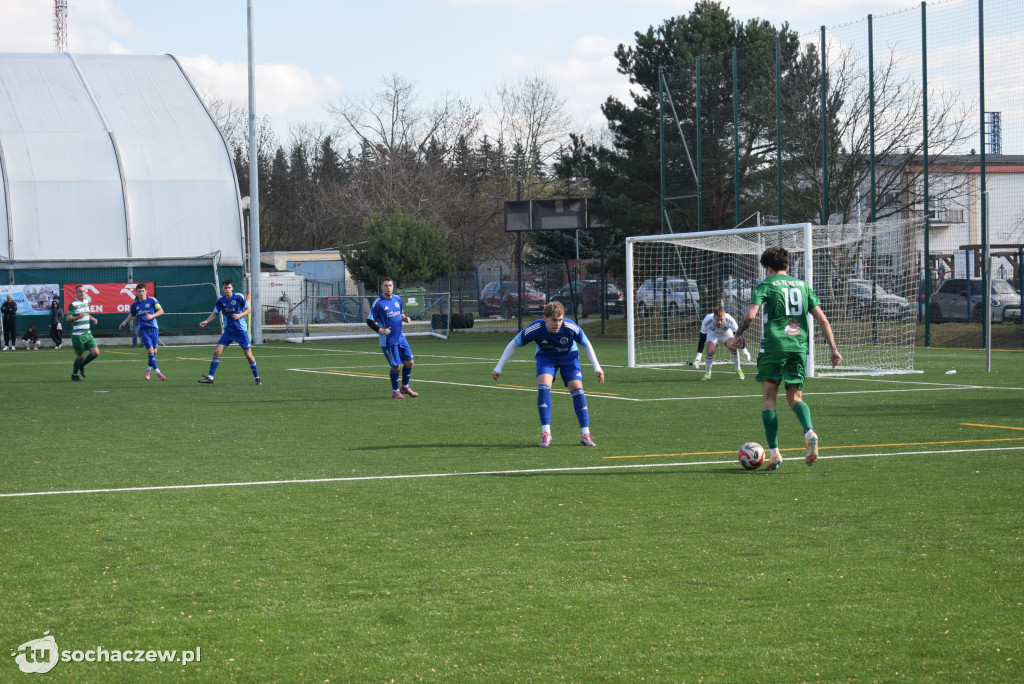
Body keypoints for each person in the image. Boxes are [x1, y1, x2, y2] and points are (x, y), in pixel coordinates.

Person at [730, 246, 842, 470]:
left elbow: (750, 315)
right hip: (798, 347)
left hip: (774, 348)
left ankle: (775, 453)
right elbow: (823, 320)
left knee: (769, 400)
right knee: (795, 399)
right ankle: (809, 431)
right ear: (787, 266)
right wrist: (833, 349)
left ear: (768, 268)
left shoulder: (766, 285)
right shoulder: (803, 286)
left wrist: (738, 335)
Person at [492, 300, 605, 447]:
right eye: (554, 320)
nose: (557, 323)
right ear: (545, 318)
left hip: (569, 356)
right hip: (546, 357)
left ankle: (586, 434)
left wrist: (597, 367)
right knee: (544, 385)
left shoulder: (570, 326)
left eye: (560, 320)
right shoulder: (536, 328)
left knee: (577, 388)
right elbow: (514, 343)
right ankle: (546, 433)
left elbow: (585, 343)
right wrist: (498, 367)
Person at [198, 279, 261, 385]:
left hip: (240, 330)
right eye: (225, 288)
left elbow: (248, 309)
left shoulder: (239, 297)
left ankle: (257, 378)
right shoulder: (220, 301)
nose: (227, 289)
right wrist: (206, 321)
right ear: (223, 289)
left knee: (248, 355)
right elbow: (215, 313)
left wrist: (240, 315)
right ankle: (210, 378)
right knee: (217, 352)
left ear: (232, 288)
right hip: (228, 331)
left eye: (229, 287)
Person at [367, 277, 418, 398]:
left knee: (410, 362)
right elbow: (369, 321)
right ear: (382, 287)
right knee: (396, 366)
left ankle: (405, 387)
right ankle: (395, 391)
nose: (388, 288)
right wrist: (380, 330)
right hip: (388, 340)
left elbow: (400, 313)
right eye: (386, 286)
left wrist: (405, 318)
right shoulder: (378, 303)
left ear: (393, 287)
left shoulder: (398, 299)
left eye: (390, 285)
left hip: (400, 337)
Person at [119, 284, 165, 380]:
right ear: (136, 292)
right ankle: (158, 372)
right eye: (139, 291)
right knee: (150, 351)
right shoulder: (135, 304)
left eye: (143, 291)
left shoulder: (152, 300)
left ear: (146, 292)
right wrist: (125, 321)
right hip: (143, 329)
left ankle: (148, 369)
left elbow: (161, 311)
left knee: (154, 352)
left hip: (154, 329)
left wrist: (152, 316)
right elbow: (131, 315)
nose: (141, 293)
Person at [697, 307, 747, 381]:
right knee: (710, 351)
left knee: (733, 347)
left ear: (724, 317)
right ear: (714, 317)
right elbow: (702, 339)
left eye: (721, 320)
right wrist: (699, 355)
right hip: (713, 334)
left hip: (726, 334)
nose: (720, 322)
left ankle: (738, 369)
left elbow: (738, 335)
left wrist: (744, 349)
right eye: (717, 320)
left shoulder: (729, 319)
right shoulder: (707, 320)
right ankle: (708, 373)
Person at [68, 284, 100, 381]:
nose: (82, 293)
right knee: (81, 356)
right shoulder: (73, 304)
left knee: (96, 353)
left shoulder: (86, 301)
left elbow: (86, 314)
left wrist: (93, 318)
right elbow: (68, 318)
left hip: (87, 333)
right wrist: (78, 317)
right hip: (78, 335)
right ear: (76, 293)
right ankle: (74, 375)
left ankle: (81, 366)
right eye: (80, 291)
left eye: (83, 291)